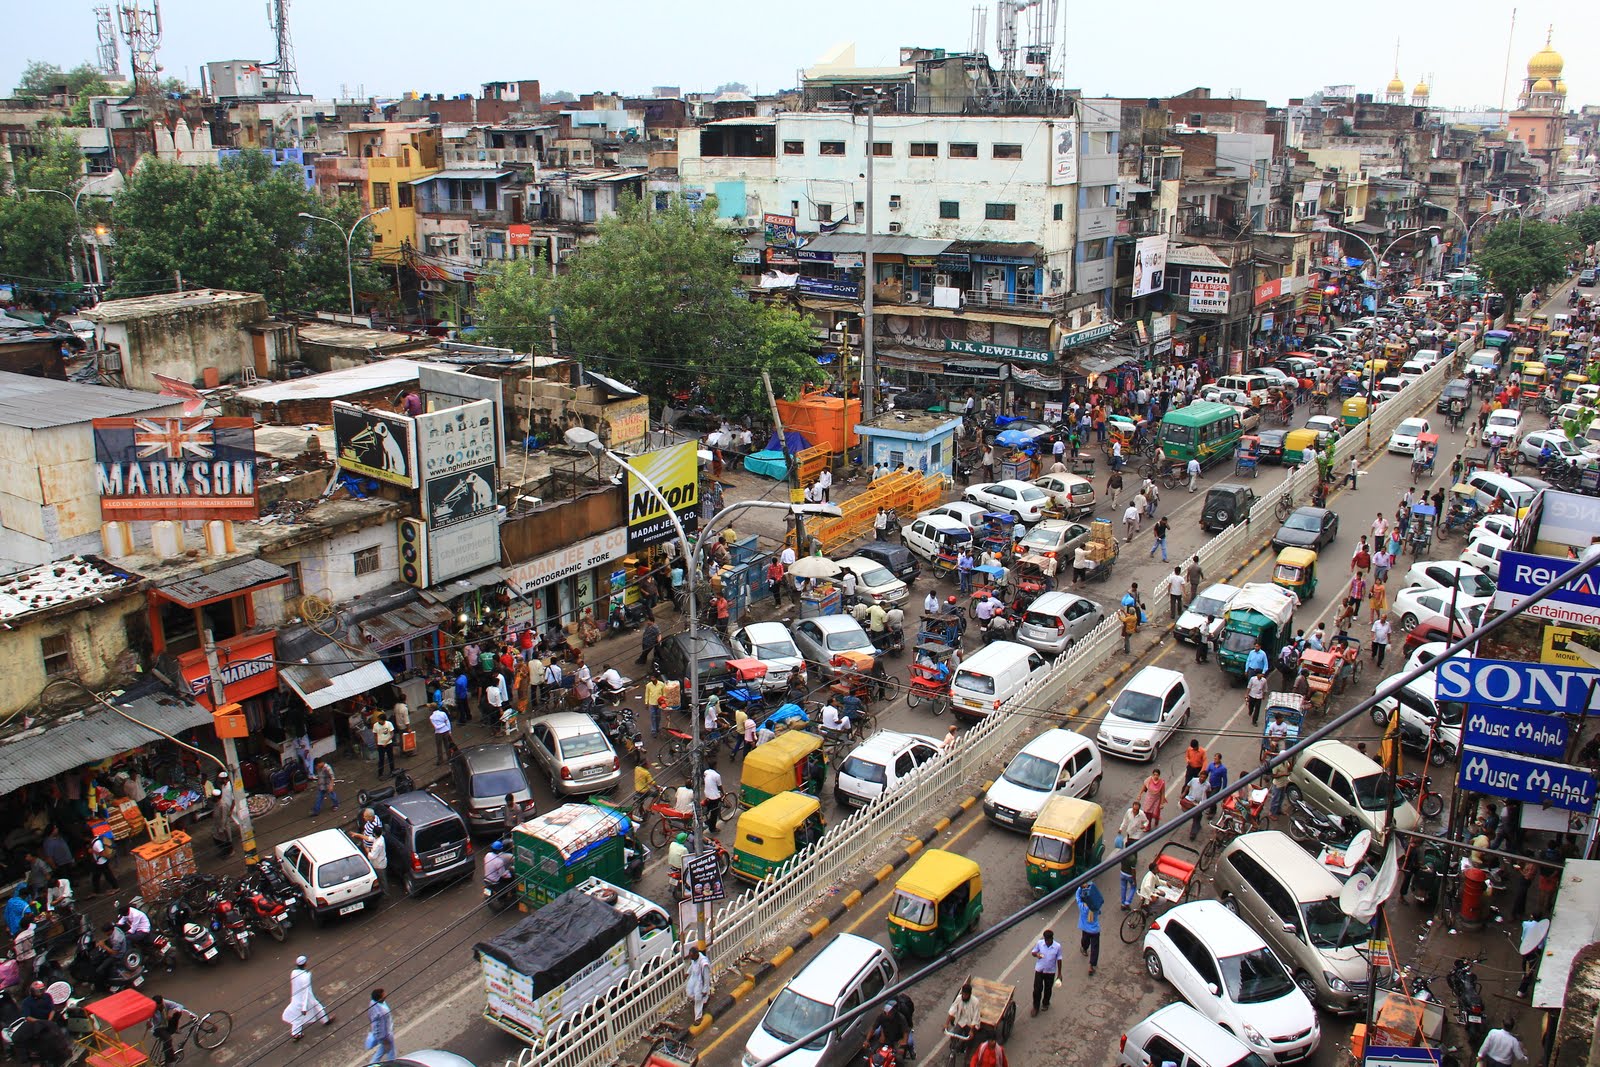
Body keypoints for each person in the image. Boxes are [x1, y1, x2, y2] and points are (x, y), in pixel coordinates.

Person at [282, 955, 335, 1041]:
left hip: (296, 997)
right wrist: (304, 1007)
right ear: (305, 964)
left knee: (316, 1008)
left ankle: (325, 1020)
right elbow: (305, 992)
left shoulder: (293, 973)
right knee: (300, 1016)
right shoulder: (305, 976)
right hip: (305, 999)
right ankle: (296, 1033)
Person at [1028, 930, 1063, 1016]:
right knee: (1037, 989)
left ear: (1052, 938)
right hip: (1039, 970)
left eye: (1048, 940)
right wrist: (1037, 955)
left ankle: (1045, 1003)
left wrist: (1059, 973)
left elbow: (1059, 959)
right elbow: (1033, 952)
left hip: (1050, 972)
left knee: (1048, 989)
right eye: (1045, 940)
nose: (1047, 942)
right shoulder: (1040, 943)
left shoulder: (1057, 946)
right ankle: (1035, 1007)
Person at [1076, 883, 1102, 975]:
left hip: (1085, 928)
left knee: (1085, 940)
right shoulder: (1095, 907)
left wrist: (1080, 888)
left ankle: (1084, 949)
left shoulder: (1083, 907)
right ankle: (1091, 966)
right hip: (1095, 930)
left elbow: (1078, 897)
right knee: (1095, 948)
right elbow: (1099, 911)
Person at [365, 989, 395, 1064]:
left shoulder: (373, 1003)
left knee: (383, 1049)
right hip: (385, 1035)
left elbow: (369, 1016)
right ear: (380, 998)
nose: (386, 994)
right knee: (391, 1051)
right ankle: (392, 1064)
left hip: (382, 1034)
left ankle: (372, 1064)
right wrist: (387, 1037)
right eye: (384, 994)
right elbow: (383, 1027)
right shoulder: (383, 1013)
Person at [686, 945, 713, 1022]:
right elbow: (692, 965)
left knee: (698, 998)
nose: (691, 958)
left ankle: (698, 1017)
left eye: (692, 956)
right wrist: (688, 973)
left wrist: (705, 990)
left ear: (696, 954)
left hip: (700, 981)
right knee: (689, 993)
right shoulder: (694, 959)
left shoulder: (703, 963)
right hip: (693, 978)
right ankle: (704, 1001)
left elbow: (706, 977)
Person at [703, 765, 724, 832]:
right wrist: (723, 793)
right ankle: (712, 828)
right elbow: (719, 786)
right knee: (714, 813)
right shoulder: (717, 775)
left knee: (709, 808)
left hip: (707, 793)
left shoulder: (706, 772)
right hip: (714, 797)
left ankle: (707, 814)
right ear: (715, 766)